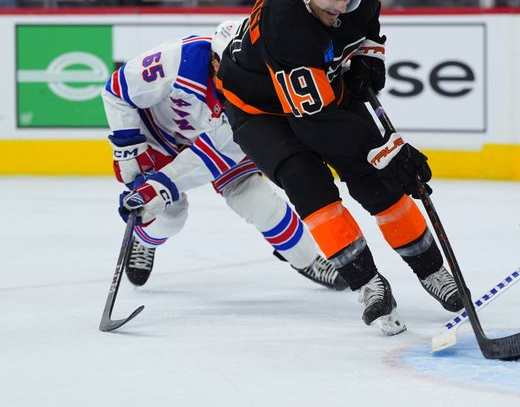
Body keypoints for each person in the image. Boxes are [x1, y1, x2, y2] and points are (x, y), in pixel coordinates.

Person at [217, 0, 462, 335]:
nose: (342, 5)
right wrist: (389, 149)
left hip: (319, 86)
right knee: (308, 183)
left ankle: (434, 272)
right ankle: (368, 284)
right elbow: (317, 121)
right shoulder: (285, 23)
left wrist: (368, 58)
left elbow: (367, 30)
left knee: (378, 181)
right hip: (258, 107)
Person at [103, 20, 346, 292]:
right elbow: (118, 91)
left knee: (259, 202)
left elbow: (210, 157)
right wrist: (128, 152)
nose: (243, 77)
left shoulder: (256, 96)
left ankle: (308, 260)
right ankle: (145, 240)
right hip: (156, 139)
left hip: (214, 149)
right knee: (171, 216)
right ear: (215, 61)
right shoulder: (179, 59)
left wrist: (159, 187)